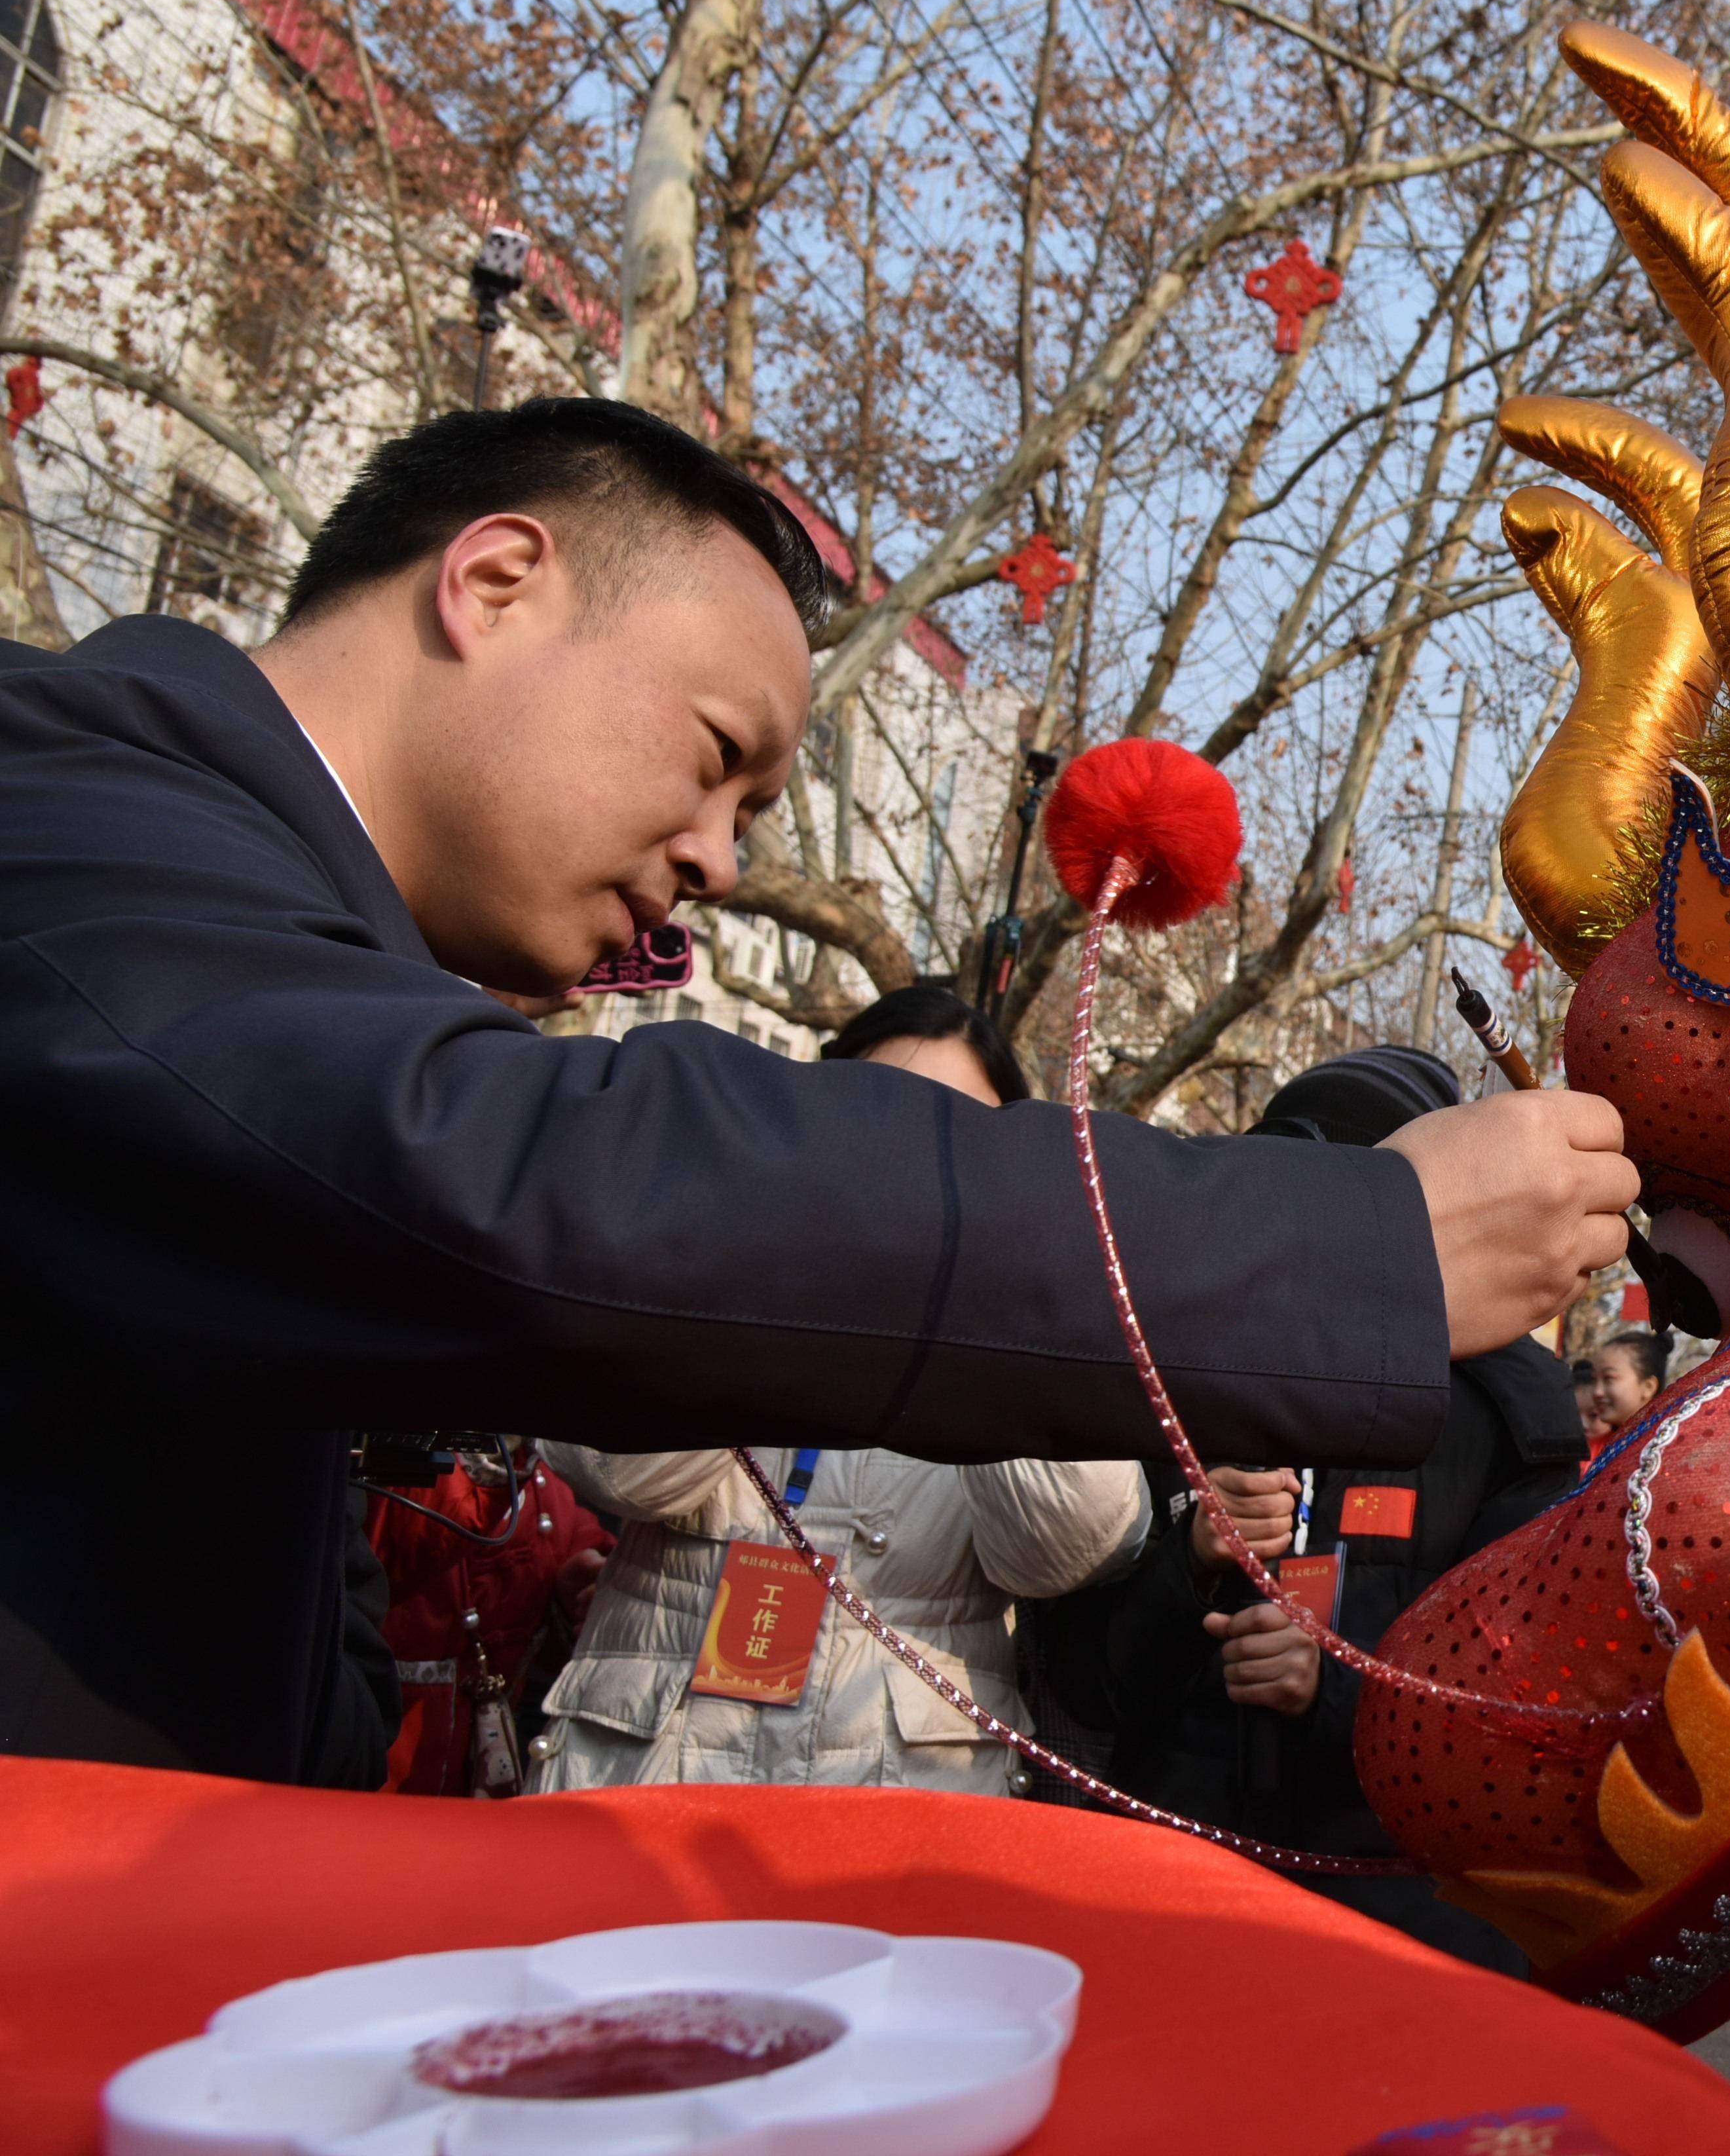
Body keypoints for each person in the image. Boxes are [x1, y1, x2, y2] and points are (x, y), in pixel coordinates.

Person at [0, 397, 1635, 1783]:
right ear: (496, 582)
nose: (717, 861)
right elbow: (533, 1191)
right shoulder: (67, 818)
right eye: (717, 753)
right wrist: (1346, 1244)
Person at [527, 986, 1149, 1794]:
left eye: (955, 1129)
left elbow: (1072, 1546)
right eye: (876, 1107)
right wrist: (782, 1259)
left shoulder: (1017, 1301)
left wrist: (984, 1286)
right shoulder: (720, 1238)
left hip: (901, 1796)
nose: (908, 1151)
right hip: (649, 1773)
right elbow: (617, 1466)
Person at [1103, 1049, 1589, 1965]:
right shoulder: (1175, 1369)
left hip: (1397, 1917)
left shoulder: (1514, 1414)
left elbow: (1531, 1711)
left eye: (1349, 1192)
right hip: (1167, 1882)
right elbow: (1088, 1673)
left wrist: (1334, 1683)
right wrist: (1190, 1558)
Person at [362, 1440, 612, 1796]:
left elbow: (556, 1526)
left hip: (485, 1755)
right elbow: (405, 1543)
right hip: (386, 1756)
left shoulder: (537, 1468)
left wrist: (580, 1582)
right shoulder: (396, 1454)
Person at [1574, 1325, 1668, 1455]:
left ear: (1648, 1387)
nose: (1597, 1392)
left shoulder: (1669, 1445)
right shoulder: (1591, 1452)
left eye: (1608, 1378)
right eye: (1594, 1380)